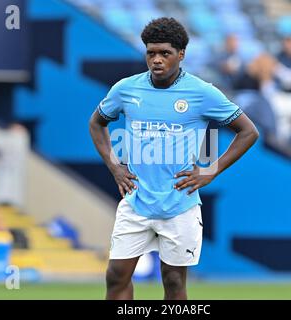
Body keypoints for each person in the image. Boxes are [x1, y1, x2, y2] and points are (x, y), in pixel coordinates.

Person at [89, 17, 259, 300]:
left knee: (173, 281)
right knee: (116, 275)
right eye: (151, 53)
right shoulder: (126, 89)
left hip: (180, 204)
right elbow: (96, 123)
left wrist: (211, 171)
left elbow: (248, 132)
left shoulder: (202, 92)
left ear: (181, 54)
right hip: (136, 201)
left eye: (164, 53)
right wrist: (115, 166)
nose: (156, 60)